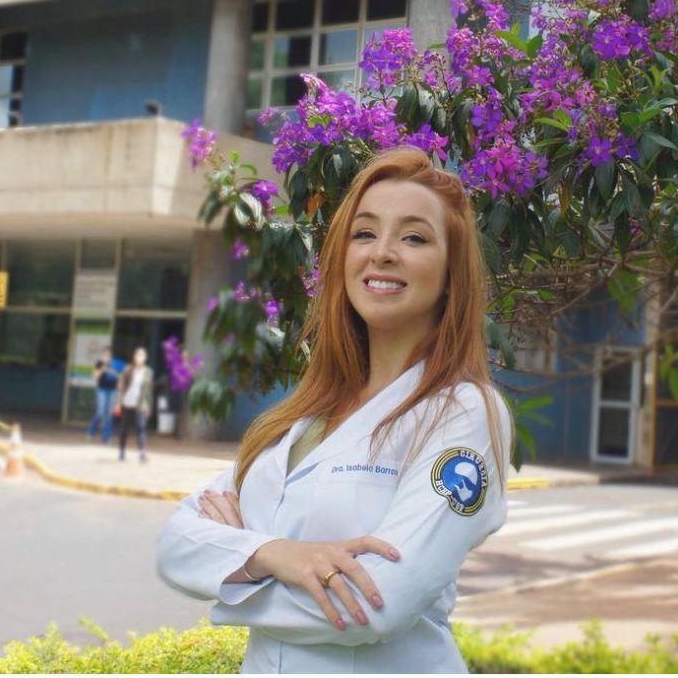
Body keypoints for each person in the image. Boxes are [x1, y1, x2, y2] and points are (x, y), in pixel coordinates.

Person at [157, 147, 513, 674]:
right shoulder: (301, 418)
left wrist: (231, 576)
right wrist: (276, 554)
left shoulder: (461, 412)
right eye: (364, 233)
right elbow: (175, 543)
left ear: (449, 275)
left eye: (414, 237)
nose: (382, 253)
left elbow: (377, 603)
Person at [117, 346, 154, 462]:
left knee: (141, 427)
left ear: (145, 358)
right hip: (127, 403)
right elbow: (120, 386)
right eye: (138, 355)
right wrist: (118, 403)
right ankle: (122, 451)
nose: (140, 358)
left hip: (141, 404)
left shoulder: (148, 372)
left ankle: (142, 453)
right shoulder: (128, 369)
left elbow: (149, 391)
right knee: (124, 429)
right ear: (134, 357)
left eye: (142, 355)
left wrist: (149, 406)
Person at [86, 346, 118, 444]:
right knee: (100, 412)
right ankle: (91, 432)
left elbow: (120, 377)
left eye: (108, 355)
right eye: (104, 355)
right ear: (102, 355)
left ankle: (106, 437)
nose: (106, 357)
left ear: (111, 356)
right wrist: (102, 369)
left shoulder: (115, 364)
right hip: (101, 390)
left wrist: (115, 373)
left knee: (109, 414)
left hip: (112, 390)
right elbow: (95, 375)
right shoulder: (99, 363)